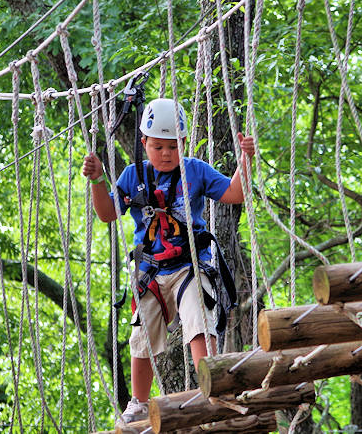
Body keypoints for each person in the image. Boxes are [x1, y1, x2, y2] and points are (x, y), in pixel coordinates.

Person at [81, 97, 255, 424]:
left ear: (184, 144)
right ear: (144, 142)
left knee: (199, 316)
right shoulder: (134, 176)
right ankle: (139, 402)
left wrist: (245, 160)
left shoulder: (196, 171)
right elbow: (107, 213)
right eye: (158, 146)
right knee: (142, 335)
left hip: (191, 265)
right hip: (150, 271)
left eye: (173, 147)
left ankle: (212, 384)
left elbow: (235, 194)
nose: (165, 154)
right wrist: (97, 180)